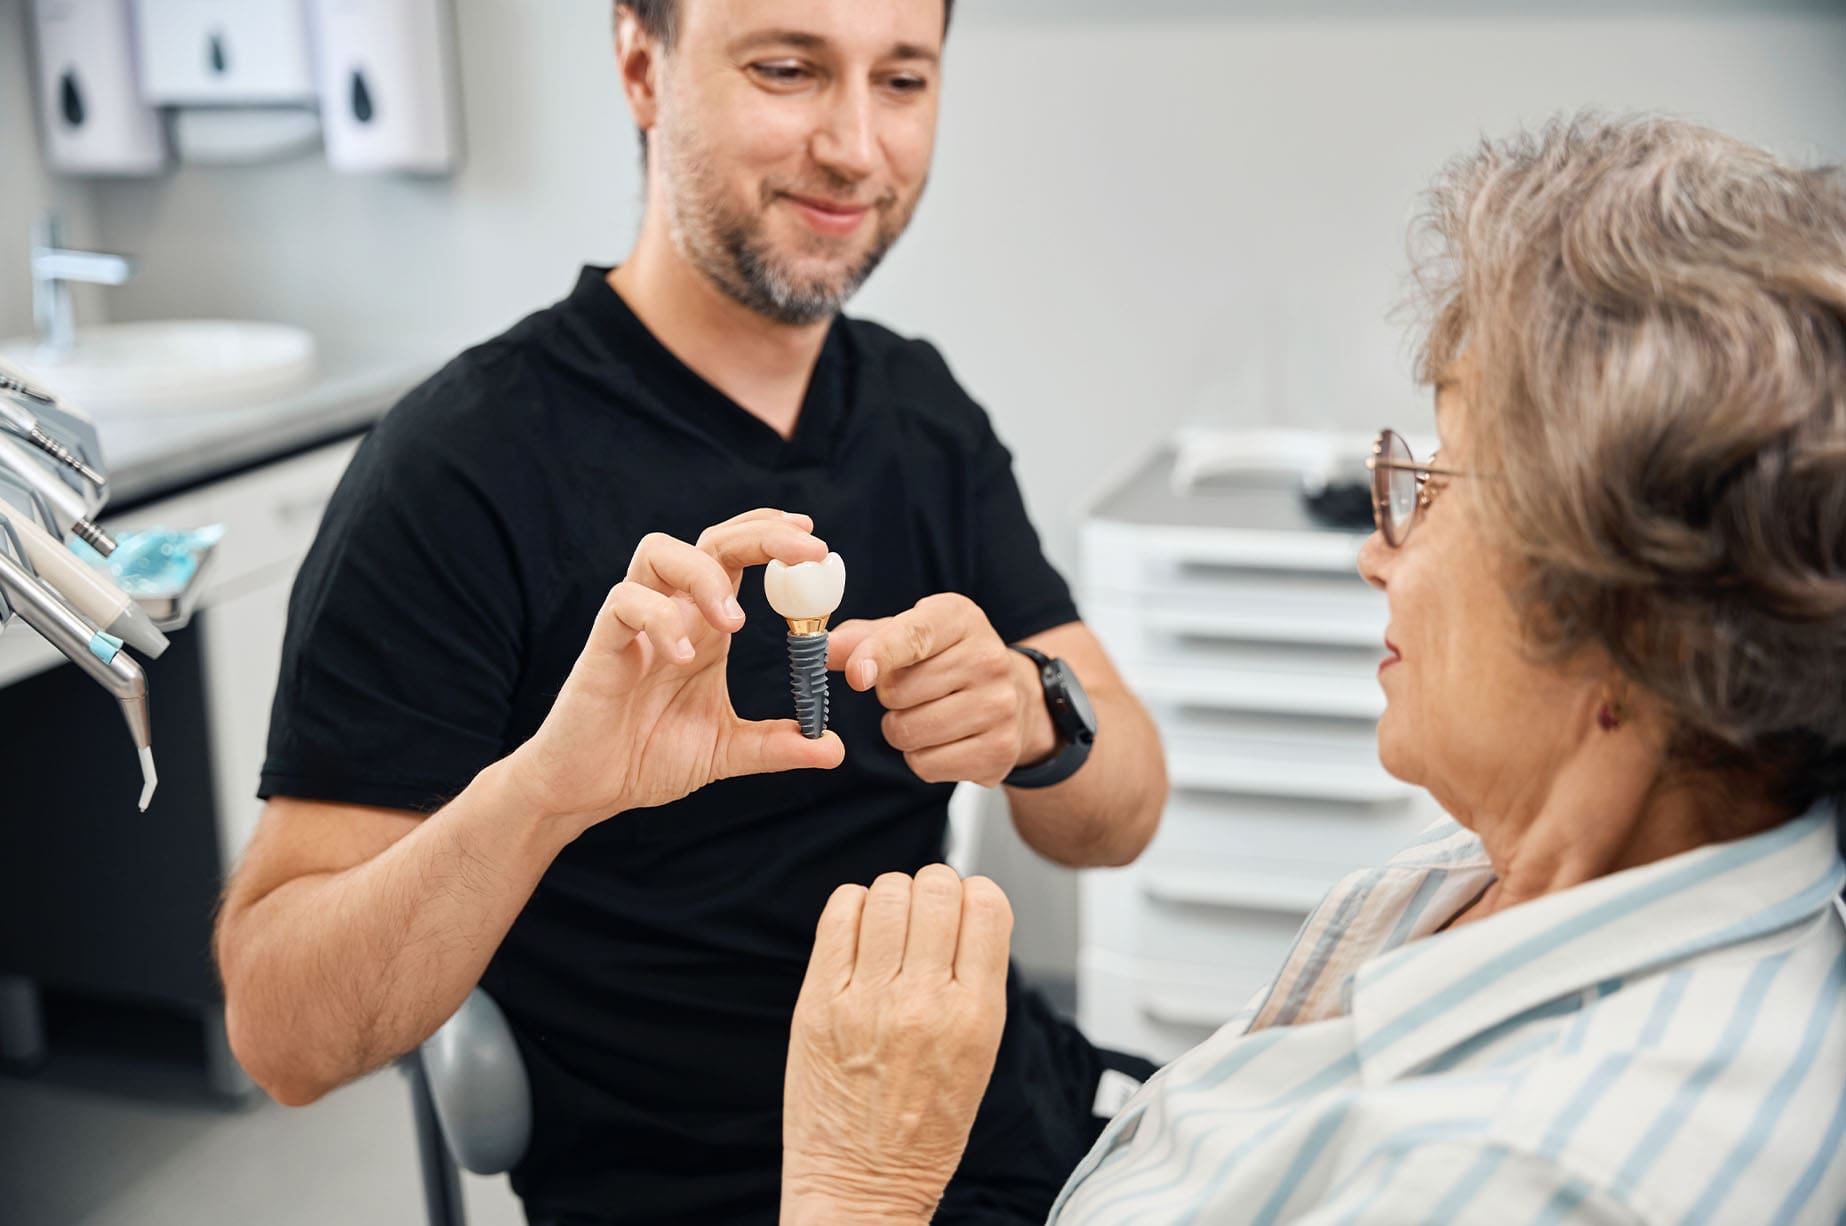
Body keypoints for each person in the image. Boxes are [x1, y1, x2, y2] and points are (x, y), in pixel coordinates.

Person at [776, 114, 1846, 1224]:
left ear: (1640, 621)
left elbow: (1122, 801)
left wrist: (859, 1184)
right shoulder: (1489, 865)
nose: (1374, 550)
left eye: (1431, 493)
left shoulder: (1521, 1179)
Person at [212, 1, 1168, 1223]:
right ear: (638, 65)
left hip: (1010, 1118)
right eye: (788, 68)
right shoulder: (459, 469)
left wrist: (1040, 718)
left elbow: (1124, 810)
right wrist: (548, 786)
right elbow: (282, 1034)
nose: (855, 147)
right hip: (717, 1186)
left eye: (903, 81)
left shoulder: (926, 421)